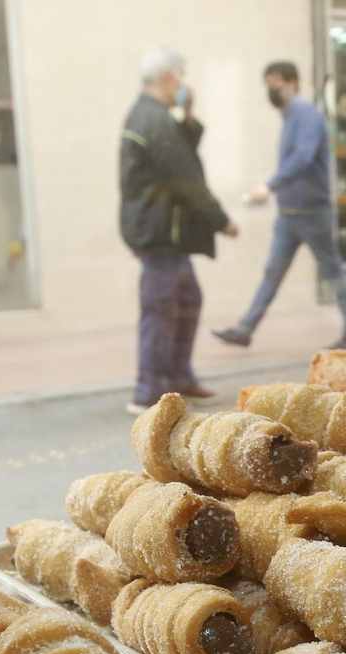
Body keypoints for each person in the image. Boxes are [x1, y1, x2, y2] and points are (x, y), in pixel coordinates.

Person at [211, 60, 346, 351]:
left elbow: (303, 159)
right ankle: (245, 329)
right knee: (273, 271)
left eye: (276, 84)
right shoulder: (289, 118)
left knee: (332, 270)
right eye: (267, 84)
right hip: (289, 214)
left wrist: (269, 186)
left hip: (312, 213)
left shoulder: (307, 116)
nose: (271, 90)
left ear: (293, 83)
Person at [120, 46, 238, 411]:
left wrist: (186, 113)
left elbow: (181, 154)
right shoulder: (153, 120)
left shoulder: (155, 116)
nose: (185, 82)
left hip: (164, 231)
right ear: (169, 77)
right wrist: (221, 221)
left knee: (187, 301)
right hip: (160, 232)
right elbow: (186, 177)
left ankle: (177, 378)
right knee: (162, 308)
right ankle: (149, 389)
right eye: (182, 74)